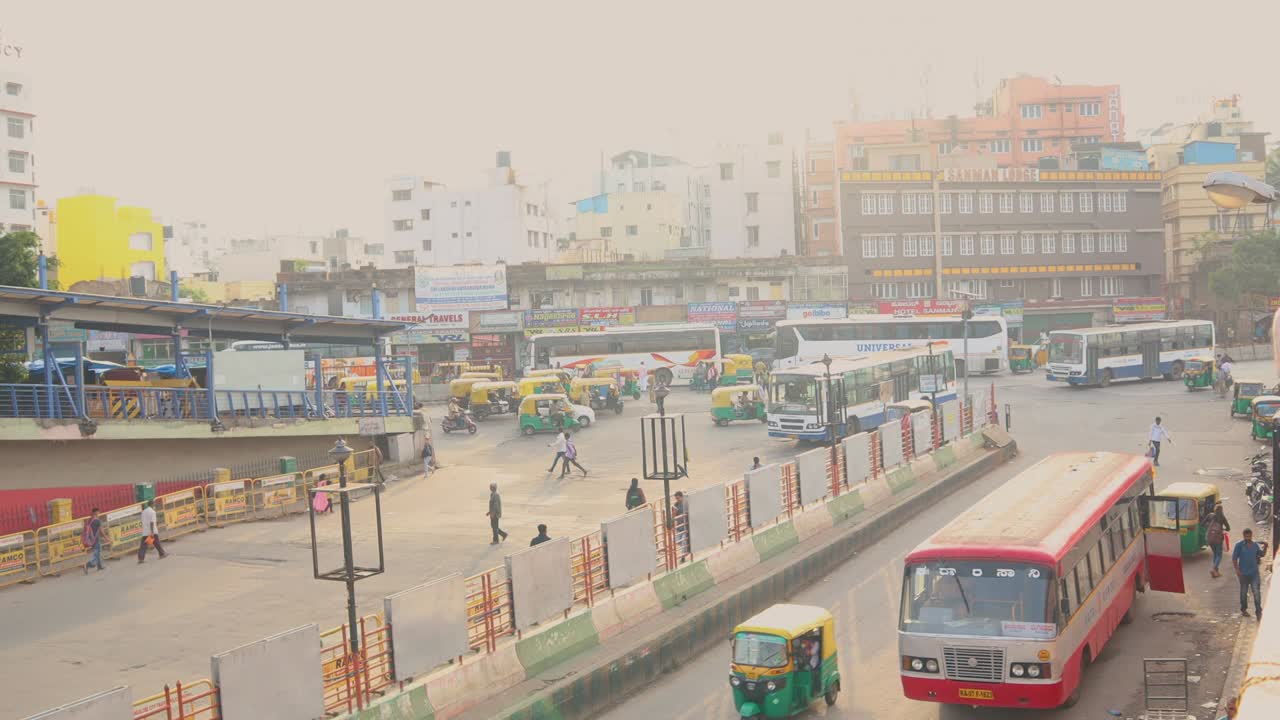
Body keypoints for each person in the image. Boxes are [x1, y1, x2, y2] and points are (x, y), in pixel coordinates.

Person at [1232, 528, 1265, 619]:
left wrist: (1265, 546)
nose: (1248, 538)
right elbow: (1234, 559)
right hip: (1243, 574)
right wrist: (1237, 570)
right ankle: (1244, 609)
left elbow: (1262, 554)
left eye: (1249, 536)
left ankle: (1258, 612)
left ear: (1251, 535)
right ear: (1243, 536)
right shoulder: (1239, 545)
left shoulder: (1255, 545)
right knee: (1243, 593)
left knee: (1256, 593)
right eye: (1246, 536)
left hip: (1254, 574)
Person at [1206, 502, 1230, 578]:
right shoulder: (1222, 517)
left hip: (1209, 538)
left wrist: (1210, 528)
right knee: (1219, 555)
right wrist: (1223, 529)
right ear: (1221, 510)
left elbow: (1202, 524)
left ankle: (1216, 572)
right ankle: (1214, 569)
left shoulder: (1210, 515)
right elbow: (1228, 528)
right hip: (1218, 539)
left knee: (1215, 554)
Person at [82, 508, 104, 574]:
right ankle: (88, 564)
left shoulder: (89, 520)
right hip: (95, 539)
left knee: (98, 553)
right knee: (97, 554)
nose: (99, 513)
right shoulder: (97, 521)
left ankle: (99, 566)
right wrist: (106, 538)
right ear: (96, 512)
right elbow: (101, 531)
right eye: (98, 512)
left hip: (90, 540)